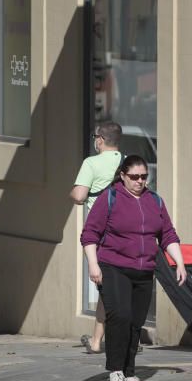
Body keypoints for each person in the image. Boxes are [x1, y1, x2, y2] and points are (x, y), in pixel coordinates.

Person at [81, 155, 186, 381]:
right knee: (120, 315)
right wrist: (93, 265)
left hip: (144, 270)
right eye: (134, 177)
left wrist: (179, 262)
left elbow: (167, 234)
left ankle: (129, 371)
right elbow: (89, 234)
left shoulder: (155, 201)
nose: (139, 181)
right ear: (123, 176)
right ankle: (115, 370)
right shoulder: (110, 197)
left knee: (136, 321)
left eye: (143, 177)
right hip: (113, 266)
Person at [69, 121, 123, 354]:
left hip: (101, 232)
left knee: (105, 287)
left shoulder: (91, 163)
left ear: (100, 139)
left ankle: (99, 341)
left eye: (95, 137)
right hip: (126, 231)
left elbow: (80, 195)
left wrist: (72, 192)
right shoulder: (128, 162)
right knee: (118, 286)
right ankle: (97, 340)